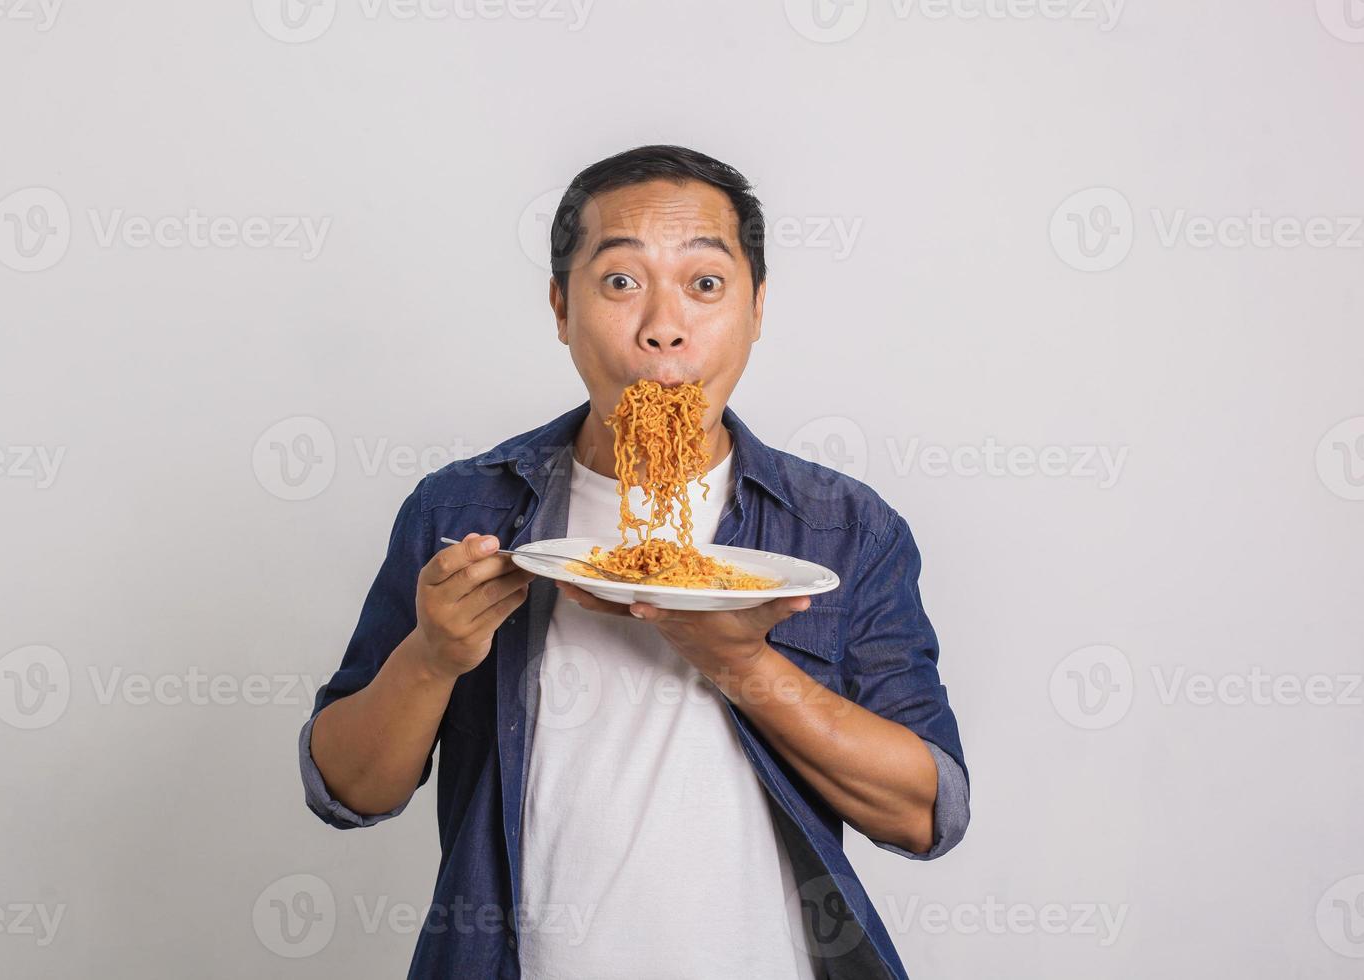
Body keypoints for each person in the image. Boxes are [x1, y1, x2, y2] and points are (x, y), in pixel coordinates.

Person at [299, 144, 970, 979]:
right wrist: (432, 658)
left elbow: (925, 813)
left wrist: (738, 660)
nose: (663, 324)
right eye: (620, 282)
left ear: (758, 308)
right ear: (559, 306)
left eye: (705, 284)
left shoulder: (845, 529)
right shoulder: (461, 510)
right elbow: (349, 789)